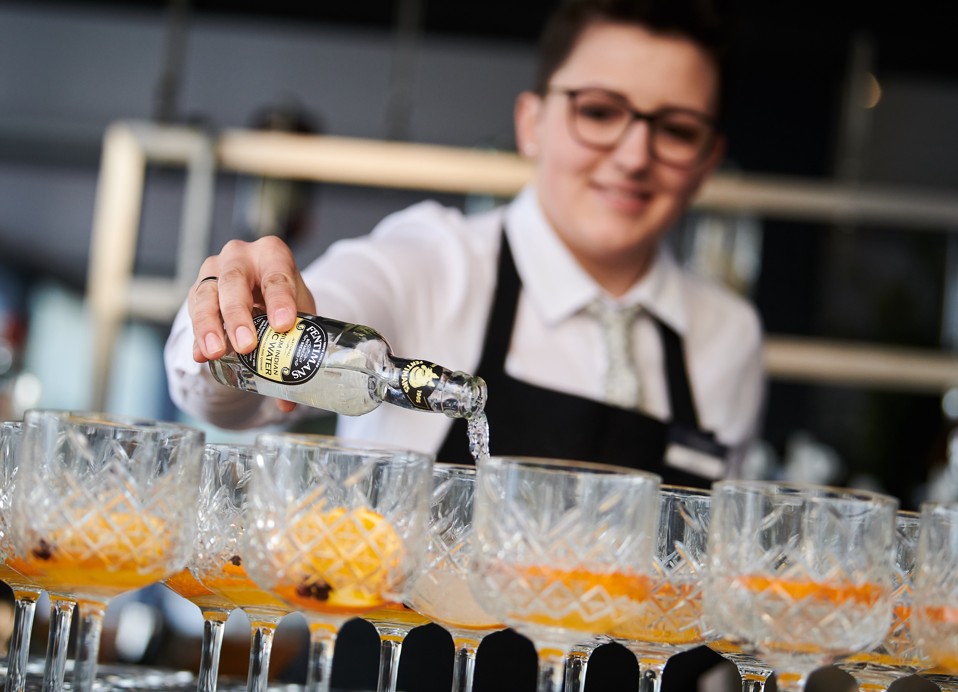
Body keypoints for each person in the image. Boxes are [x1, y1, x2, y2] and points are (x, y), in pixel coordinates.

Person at [164, 0, 764, 688]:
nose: (634, 156)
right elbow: (231, 398)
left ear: (710, 157)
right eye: (599, 112)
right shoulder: (431, 260)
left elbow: (710, 587)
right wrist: (231, 322)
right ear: (532, 122)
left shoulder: (728, 337)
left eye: (677, 129)